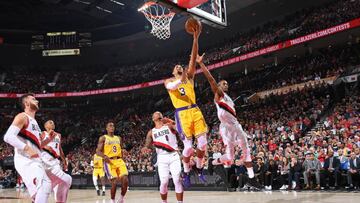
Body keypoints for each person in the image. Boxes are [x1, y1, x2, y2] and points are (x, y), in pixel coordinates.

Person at [196, 54, 262, 190]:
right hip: (226, 128)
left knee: (243, 152)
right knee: (231, 157)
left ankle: (251, 178)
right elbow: (211, 80)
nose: (226, 84)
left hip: (235, 125)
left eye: (227, 83)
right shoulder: (219, 94)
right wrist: (201, 64)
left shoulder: (229, 98)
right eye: (223, 83)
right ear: (219, 86)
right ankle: (212, 161)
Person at [164, 23, 207, 187]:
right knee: (188, 149)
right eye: (176, 67)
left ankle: (200, 169)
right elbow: (171, 87)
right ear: (173, 72)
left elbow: (193, 57)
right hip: (181, 114)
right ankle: (187, 172)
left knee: (202, 144)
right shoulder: (169, 81)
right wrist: (179, 80)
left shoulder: (189, 77)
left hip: (195, 110)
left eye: (180, 66)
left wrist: (195, 38)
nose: (179, 66)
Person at [3, 93, 54, 202]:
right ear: (26, 103)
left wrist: (48, 140)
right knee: (44, 185)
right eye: (33, 99)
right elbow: (8, 137)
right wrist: (26, 148)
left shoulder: (34, 122)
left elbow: (37, 145)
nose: (37, 101)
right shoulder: (22, 116)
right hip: (25, 160)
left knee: (41, 191)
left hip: (35, 160)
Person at [141, 112, 183, 203]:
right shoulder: (151, 132)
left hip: (174, 155)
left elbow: (180, 129)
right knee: (164, 182)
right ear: (153, 119)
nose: (158, 114)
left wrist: (171, 121)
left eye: (159, 113)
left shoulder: (169, 126)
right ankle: (164, 201)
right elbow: (147, 144)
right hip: (162, 157)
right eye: (156, 114)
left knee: (177, 180)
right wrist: (145, 148)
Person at [40, 120, 72, 203]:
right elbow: (37, 144)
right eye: (50, 122)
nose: (52, 123)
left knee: (65, 180)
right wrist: (46, 147)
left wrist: (64, 160)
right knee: (45, 184)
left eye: (53, 122)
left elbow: (59, 148)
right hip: (44, 161)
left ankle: (59, 200)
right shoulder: (42, 133)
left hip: (55, 162)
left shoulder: (58, 135)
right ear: (45, 126)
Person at [96, 122, 129, 203]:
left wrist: (123, 151)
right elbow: (97, 151)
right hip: (109, 161)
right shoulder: (103, 138)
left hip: (119, 160)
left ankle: (121, 198)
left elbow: (121, 149)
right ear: (106, 128)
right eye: (110, 126)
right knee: (114, 182)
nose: (112, 127)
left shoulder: (119, 138)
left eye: (113, 126)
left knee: (125, 180)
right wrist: (104, 156)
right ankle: (112, 200)